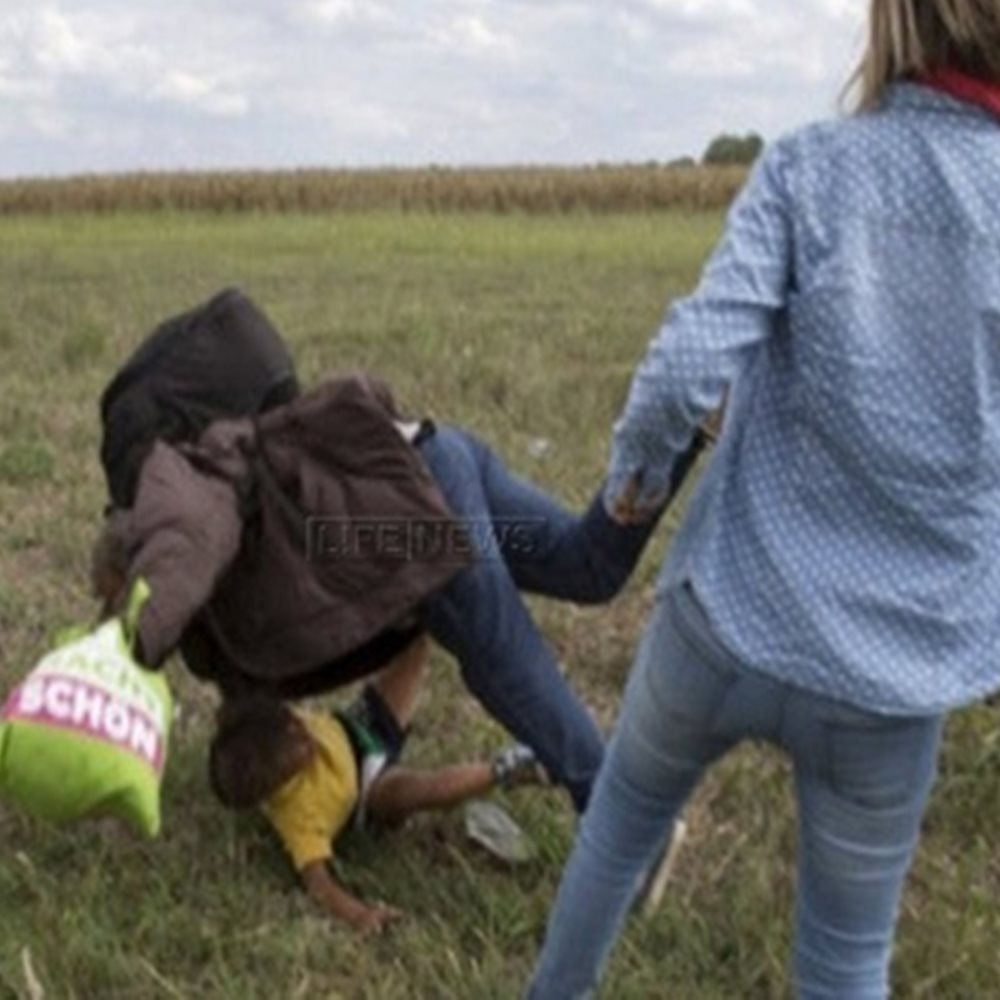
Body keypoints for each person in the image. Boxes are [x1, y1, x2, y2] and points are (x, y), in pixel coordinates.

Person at [528, 2, 1000, 996]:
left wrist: (634, 484)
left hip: (726, 618)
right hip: (894, 675)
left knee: (616, 830)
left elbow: (686, 367)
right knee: (845, 955)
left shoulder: (810, 167)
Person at [93, 373, 707, 814]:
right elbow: (254, 710)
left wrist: (126, 647)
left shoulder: (184, 519)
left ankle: (622, 816)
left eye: (118, 593)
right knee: (584, 565)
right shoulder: (220, 633)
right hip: (435, 459)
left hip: (409, 518)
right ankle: (680, 424)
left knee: (499, 655)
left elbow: (185, 552)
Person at [208, 634, 541, 934]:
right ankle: (504, 769)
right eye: (297, 744)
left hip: (360, 728)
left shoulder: (274, 727)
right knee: (415, 791)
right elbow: (319, 885)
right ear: (277, 781)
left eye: (295, 723)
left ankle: (424, 613)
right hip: (369, 791)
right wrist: (359, 915)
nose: (302, 729)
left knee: (413, 647)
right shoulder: (299, 817)